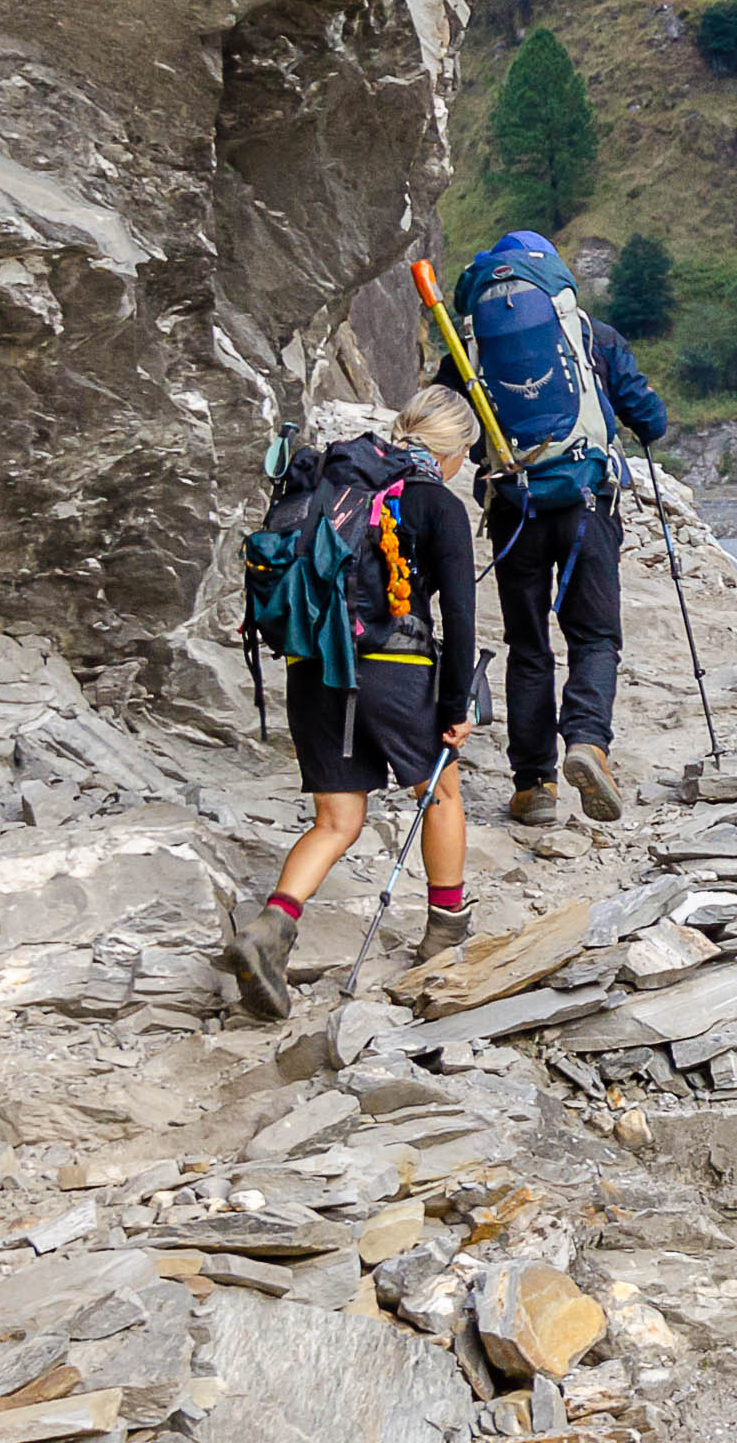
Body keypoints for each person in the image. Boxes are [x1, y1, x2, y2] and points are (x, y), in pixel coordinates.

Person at [225, 387, 483, 1021]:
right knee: (441, 793)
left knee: (337, 822)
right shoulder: (435, 503)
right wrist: (456, 706)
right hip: (394, 670)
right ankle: (445, 928)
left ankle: (270, 931)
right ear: (450, 451)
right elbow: (462, 615)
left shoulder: (331, 489)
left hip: (313, 669)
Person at [439, 232, 668, 827]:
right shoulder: (591, 338)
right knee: (593, 637)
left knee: (529, 646)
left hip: (514, 507)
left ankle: (534, 785)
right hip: (589, 503)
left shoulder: (472, 350)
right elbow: (651, 421)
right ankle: (588, 743)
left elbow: (447, 423)